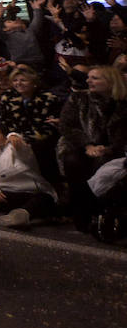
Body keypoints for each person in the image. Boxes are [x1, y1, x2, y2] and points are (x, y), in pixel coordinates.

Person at [57, 65, 127, 234]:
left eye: (95, 78)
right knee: (73, 161)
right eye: (89, 77)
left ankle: (104, 215)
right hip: (81, 145)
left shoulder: (123, 104)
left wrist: (108, 149)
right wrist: (87, 145)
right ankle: (81, 215)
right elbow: (67, 125)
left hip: (114, 150)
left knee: (109, 167)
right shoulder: (79, 98)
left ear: (111, 82)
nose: (89, 81)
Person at [0, 123, 57, 230]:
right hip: (4, 194)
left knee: (44, 198)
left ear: (5, 136)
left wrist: (13, 135)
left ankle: (22, 214)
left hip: (28, 192)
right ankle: (18, 212)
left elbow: (23, 147)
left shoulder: (15, 147)